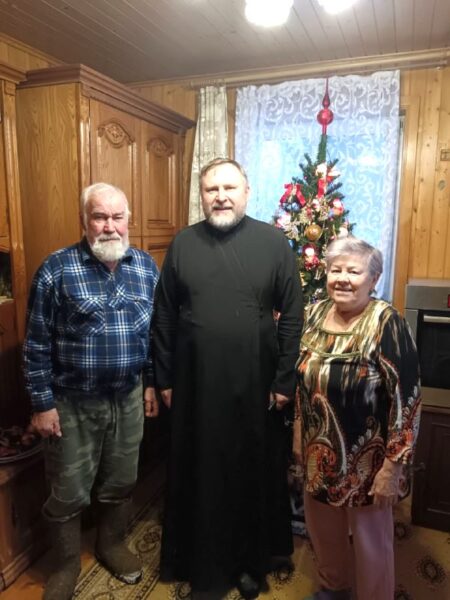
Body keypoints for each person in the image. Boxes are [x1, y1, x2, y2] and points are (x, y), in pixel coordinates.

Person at [151, 158, 303, 599]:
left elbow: (293, 316)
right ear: (201, 196)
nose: (220, 196)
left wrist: (284, 381)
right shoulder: (183, 243)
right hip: (195, 381)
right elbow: (164, 315)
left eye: (229, 188)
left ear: (246, 192)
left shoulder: (274, 242)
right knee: (201, 471)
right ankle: (198, 560)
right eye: (211, 189)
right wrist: (164, 378)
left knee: (250, 470)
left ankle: (249, 562)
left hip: (256, 380)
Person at [23, 182, 159, 600]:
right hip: (71, 402)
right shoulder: (56, 269)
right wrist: (42, 404)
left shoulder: (146, 267)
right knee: (68, 490)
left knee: (121, 480)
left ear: (129, 221)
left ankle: (110, 544)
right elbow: (35, 344)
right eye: (100, 217)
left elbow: (154, 336)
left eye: (117, 217)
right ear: (84, 221)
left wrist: (150, 383)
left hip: (128, 397)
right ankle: (65, 565)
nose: (109, 226)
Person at [293, 237, 421, 600]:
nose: (343, 279)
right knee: (323, 531)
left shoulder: (386, 322)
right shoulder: (314, 314)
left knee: (371, 542)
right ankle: (333, 587)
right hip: (319, 453)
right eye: (336, 270)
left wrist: (393, 467)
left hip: (371, 460)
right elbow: (302, 382)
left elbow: (407, 399)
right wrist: (299, 433)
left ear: (373, 278)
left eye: (354, 271)